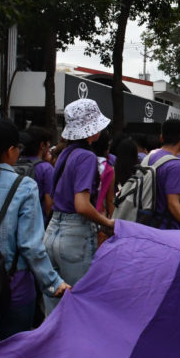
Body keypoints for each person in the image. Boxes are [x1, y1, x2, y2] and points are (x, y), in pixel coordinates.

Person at [0, 119, 68, 351]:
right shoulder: (24, 186)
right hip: (13, 285)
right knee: (15, 356)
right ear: (9, 151)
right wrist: (53, 284)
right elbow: (31, 246)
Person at [44, 99, 115, 313]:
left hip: (52, 231)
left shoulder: (64, 152)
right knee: (78, 306)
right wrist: (107, 222)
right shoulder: (85, 156)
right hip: (75, 236)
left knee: (54, 308)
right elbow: (82, 205)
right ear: (93, 130)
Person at [17, 125, 54, 221]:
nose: (49, 145)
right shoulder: (46, 168)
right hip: (36, 222)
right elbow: (49, 204)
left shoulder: (15, 163)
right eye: (48, 143)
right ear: (42, 145)